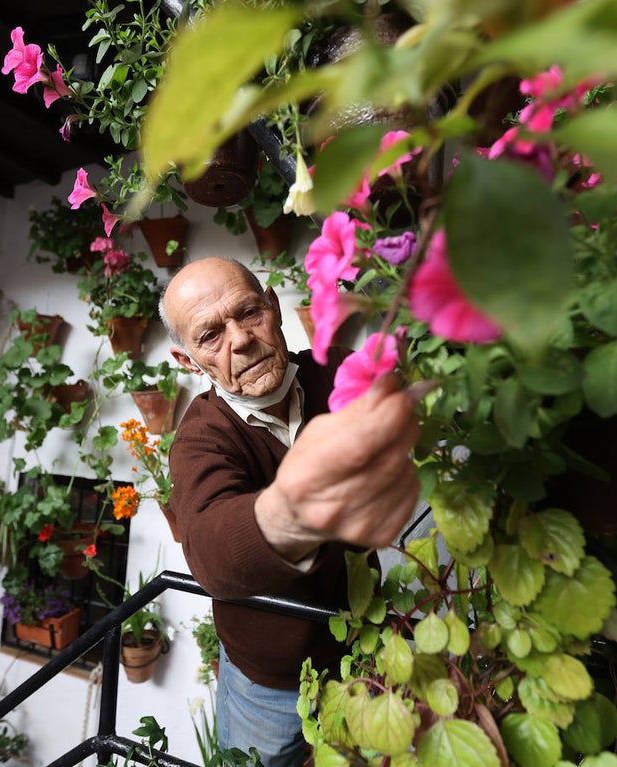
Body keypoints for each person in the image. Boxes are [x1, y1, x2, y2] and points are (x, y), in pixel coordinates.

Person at [160, 257, 421, 767]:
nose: (240, 340)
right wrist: (292, 510)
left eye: (248, 313)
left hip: (362, 651)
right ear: (189, 360)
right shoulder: (200, 438)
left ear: (274, 309)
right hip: (268, 684)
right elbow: (210, 548)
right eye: (210, 335)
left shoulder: (340, 372)